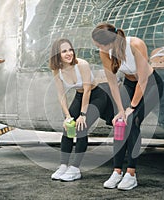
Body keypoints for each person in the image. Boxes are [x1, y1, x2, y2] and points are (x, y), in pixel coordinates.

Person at [92, 23, 164, 190]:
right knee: (120, 122)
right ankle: (117, 171)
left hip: (150, 85)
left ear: (109, 42)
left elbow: (143, 80)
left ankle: (131, 174)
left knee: (133, 122)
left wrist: (131, 107)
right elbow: (112, 82)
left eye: (99, 45)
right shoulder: (105, 51)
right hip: (130, 85)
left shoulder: (135, 44)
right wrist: (120, 110)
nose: (98, 48)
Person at [49, 38, 113, 182]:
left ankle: (75, 169)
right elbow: (61, 94)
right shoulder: (56, 70)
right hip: (79, 96)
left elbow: (87, 90)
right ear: (57, 54)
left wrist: (83, 114)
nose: (69, 53)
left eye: (70, 49)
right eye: (64, 51)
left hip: (96, 95)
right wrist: (67, 116)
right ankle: (64, 165)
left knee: (81, 127)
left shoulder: (82, 64)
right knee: (68, 128)